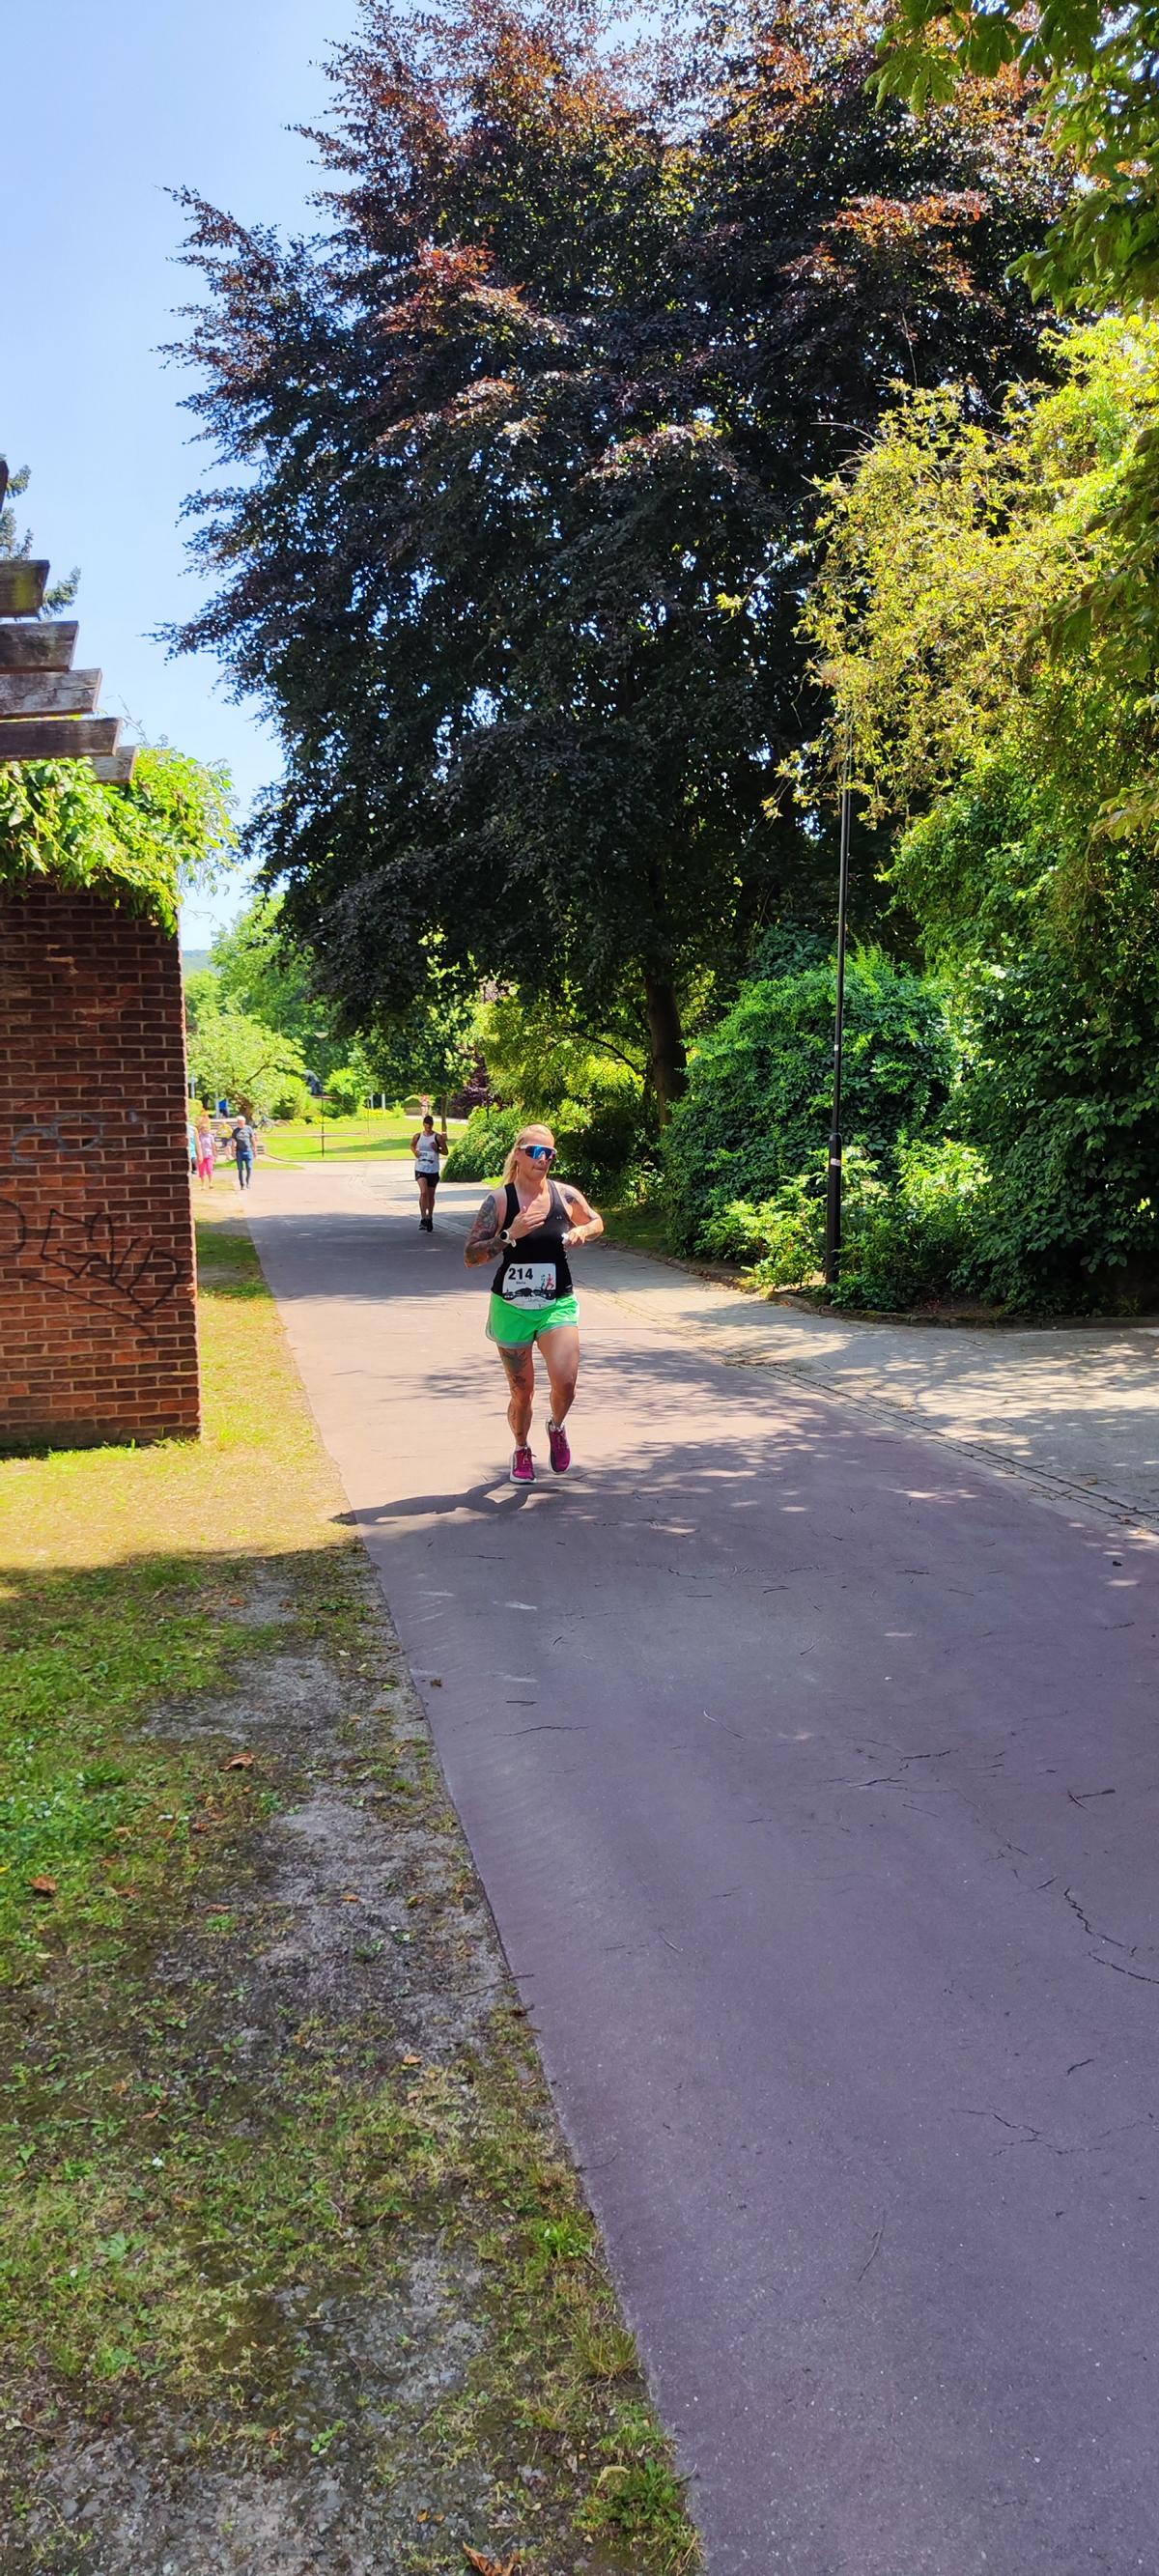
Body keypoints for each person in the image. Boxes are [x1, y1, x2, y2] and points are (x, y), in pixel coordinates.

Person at [464, 1123, 603, 1484]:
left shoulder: (564, 1195)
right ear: (519, 1154)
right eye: (536, 1152)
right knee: (522, 1393)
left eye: (550, 1153)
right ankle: (522, 1448)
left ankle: (556, 1426)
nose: (544, 1159)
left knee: (566, 1382)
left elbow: (597, 1221)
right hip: (511, 1307)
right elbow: (471, 1256)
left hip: (557, 1302)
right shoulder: (500, 1201)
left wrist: (582, 1231)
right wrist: (509, 1235)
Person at [411, 1112, 449, 1231]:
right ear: (423, 1125)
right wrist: (415, 1153)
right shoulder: (418, 1136)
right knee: (424, 1193)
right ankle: (423, 1218)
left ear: (432, 1125)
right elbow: (412, 1146)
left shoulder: (437, 1137)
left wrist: (437, 1149)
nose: (428, 1128)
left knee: (431, 1195)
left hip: (433, 1169)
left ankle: (430, 1217)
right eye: (426, 1125)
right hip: (420, 1168)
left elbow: (446, 1152)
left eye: (430, 1126)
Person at [230, 1115, 256, 1191]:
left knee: (249, 1167)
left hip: (248, 1151)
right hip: (239, 1152)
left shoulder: (248, 1128)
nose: (240, 1123)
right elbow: (233, 1141)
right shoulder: (235, 1130)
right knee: (240, 1169)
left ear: (244, 1122)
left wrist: (255, 1149)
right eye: (239, 1122)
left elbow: (252, 1139)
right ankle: (242, 1184)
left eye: (242, 1122)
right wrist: (233, 1151)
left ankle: (248, 1182)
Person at [194, 1112, 215, 1191]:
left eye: (206, 1129)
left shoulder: (210, 1136)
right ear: (201, 1130)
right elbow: (197, 1145)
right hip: (201, 1155)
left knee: (209, 1169)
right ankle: (203, 1185)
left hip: (209, 1155)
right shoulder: (199, 1137)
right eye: (203, 1129)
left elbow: (213, 1145)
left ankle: (210, 1183)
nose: (205, 1130)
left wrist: (214, 1154)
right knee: (202, 1171)